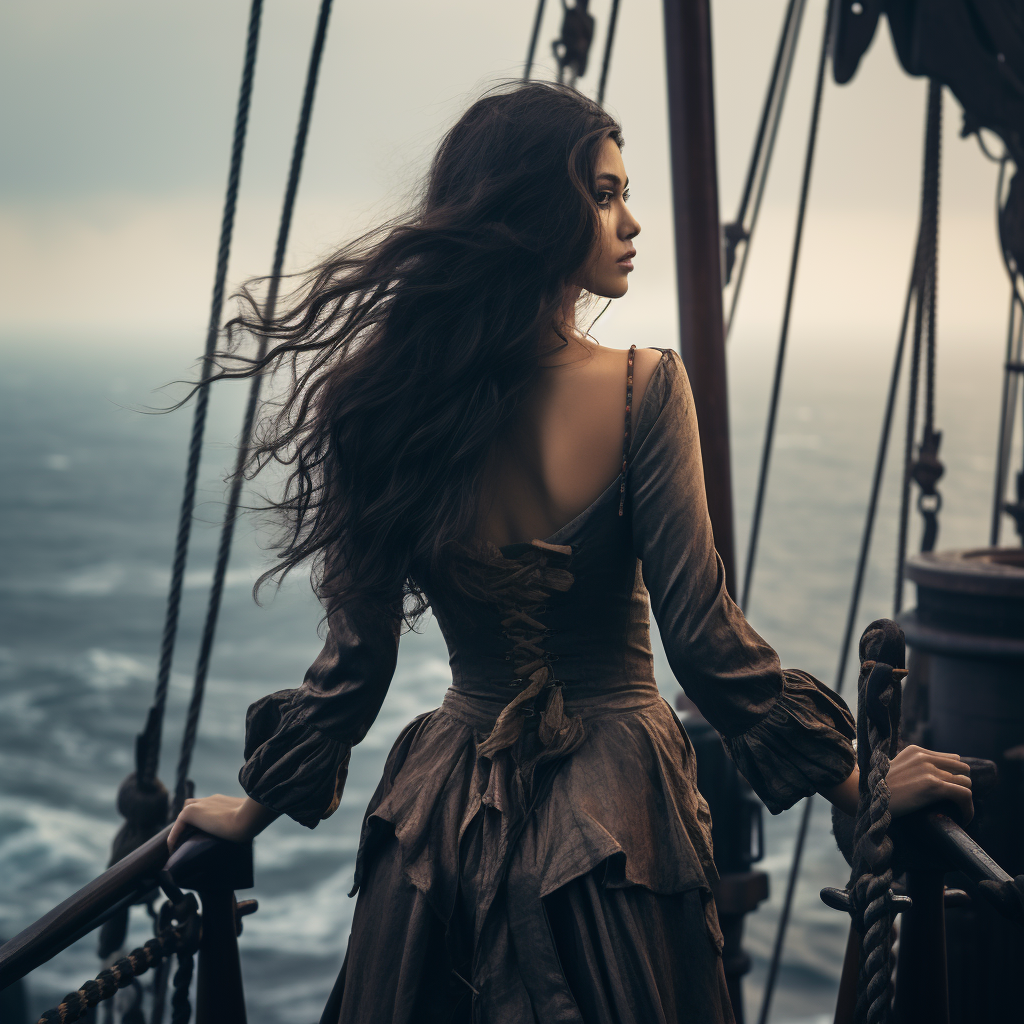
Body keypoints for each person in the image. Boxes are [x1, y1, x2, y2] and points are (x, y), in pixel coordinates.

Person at [167, 81, 973, 1024]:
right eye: (603, 194)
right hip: (614, 826)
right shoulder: (644, 390)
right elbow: (709, 651)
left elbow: (355, 673)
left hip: (438, 830)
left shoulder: (390, 409)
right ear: (532, 213)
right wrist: (867, 787)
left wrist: (249, 810)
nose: (632, 222)